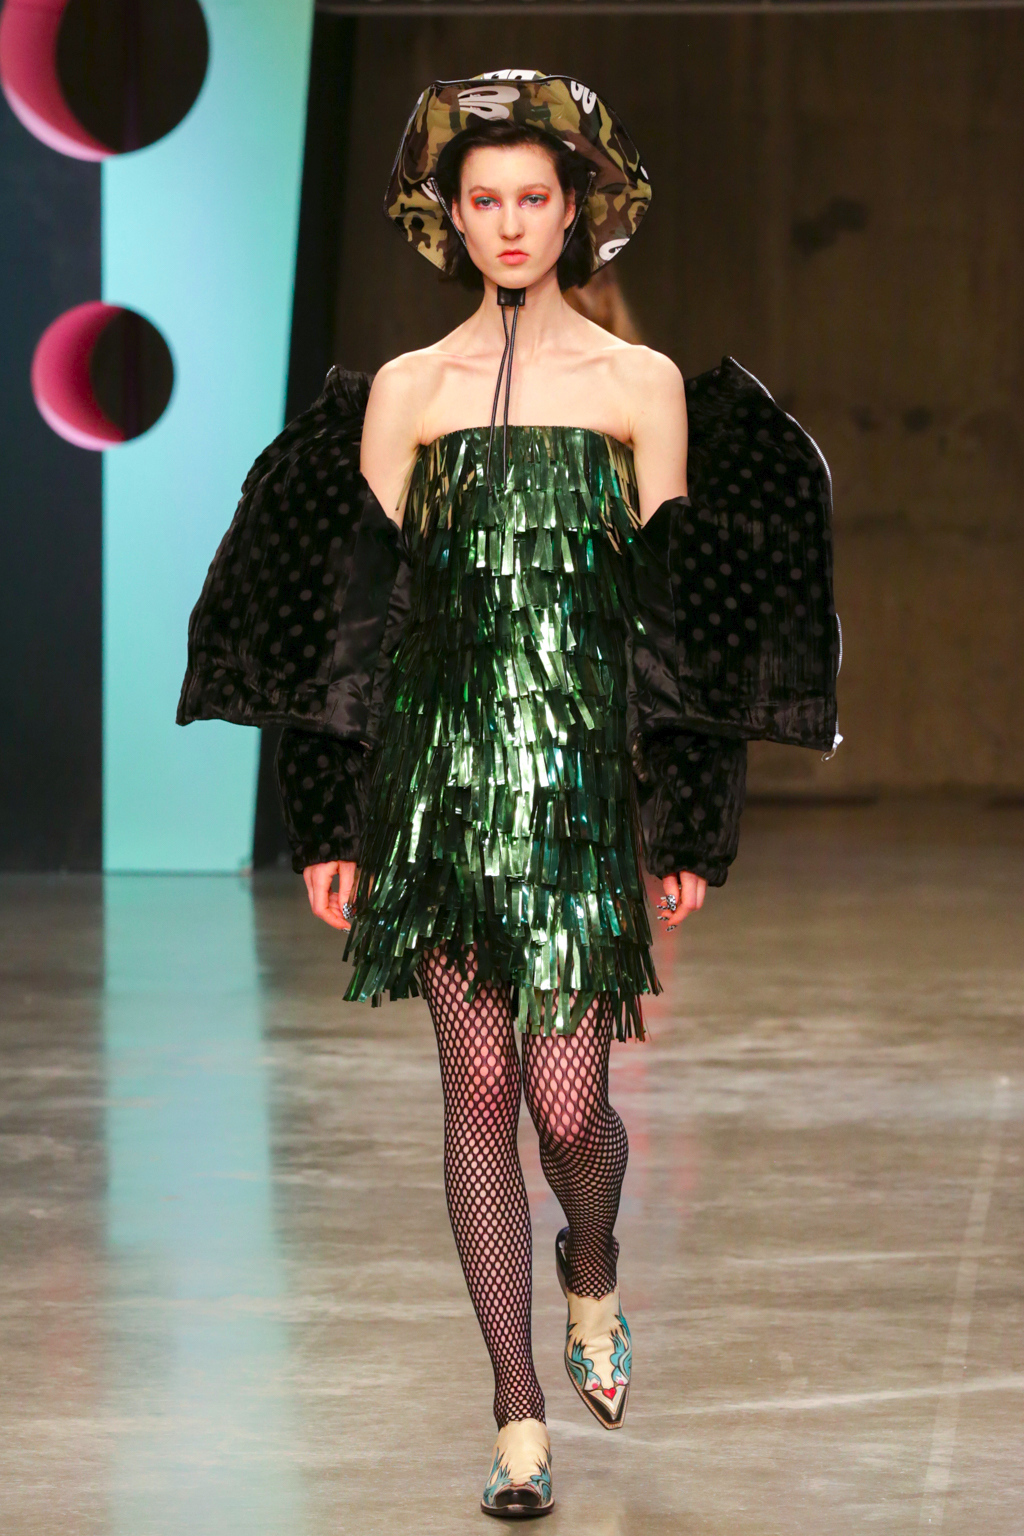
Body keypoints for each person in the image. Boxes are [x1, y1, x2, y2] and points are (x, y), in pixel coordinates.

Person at [178, 71, 840, 1520]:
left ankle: (591, 1264)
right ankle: (516, 1417)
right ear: (451, 217)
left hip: (580, 783)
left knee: (568, 1105)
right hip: (436, 779)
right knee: (476, 1090)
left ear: (579, 206)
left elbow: (679, 626)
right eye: (485, 200)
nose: (512, 223)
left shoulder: (640, 388)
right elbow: (351, 628)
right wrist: (328, 818)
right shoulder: (405, 394)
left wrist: (692, 817)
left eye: (535, 196)